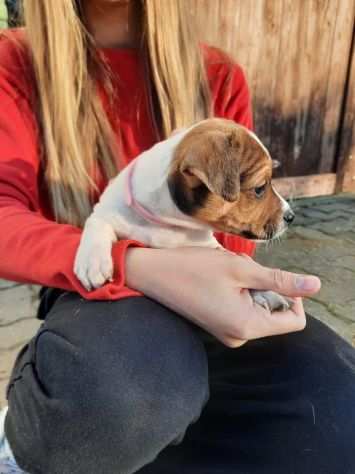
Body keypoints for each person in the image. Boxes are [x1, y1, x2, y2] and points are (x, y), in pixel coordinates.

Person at [0, 1, 354, 473]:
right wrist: (133, 263)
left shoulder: (218, 73)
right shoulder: (14, 63)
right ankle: (33, 422)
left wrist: (245, 291)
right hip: (91, 290)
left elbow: (234, 235)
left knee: (337, 405)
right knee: (123, 401)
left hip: (207, 283)